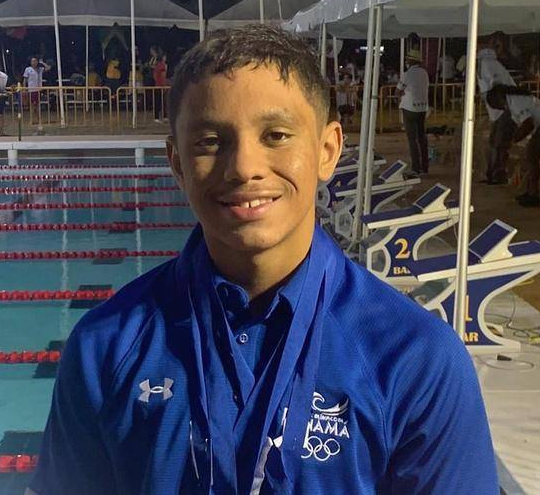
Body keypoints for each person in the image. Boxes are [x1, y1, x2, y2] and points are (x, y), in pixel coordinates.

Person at [27, 25, 498, 495]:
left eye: (276, 135)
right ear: (176, 162)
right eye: (210, 141)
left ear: (327, 150)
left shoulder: (414, 358)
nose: (244, 168)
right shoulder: (106, 346)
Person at [487, 84, 540, 207]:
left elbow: (528, 124)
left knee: (531, 156)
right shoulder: (514, 101)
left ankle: (533, 195)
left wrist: (514, 140)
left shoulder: (515, 101)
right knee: (531, 157)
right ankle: (531, 191)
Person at [477, 44, 516, 185]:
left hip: (505, 109)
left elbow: (497, 84)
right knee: (494, 142)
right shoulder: (487, 64)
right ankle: (492, 174)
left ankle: (498, 175)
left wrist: (501, 105)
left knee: (499, 144)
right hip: (501, 110)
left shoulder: (488, 64)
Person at [397, 48, 430, 176]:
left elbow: (398, 91)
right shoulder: (424, 73)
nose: (406, 61)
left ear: (411, 61)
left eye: (407, 59)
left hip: (409, 108)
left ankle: (416, 168)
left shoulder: (407, 74)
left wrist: (402, 93)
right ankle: (425, 167)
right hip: (422, 108)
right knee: (422, 138)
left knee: (412, 139)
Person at [23, 56, 51, 134]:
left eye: (35, 61)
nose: (34, 62)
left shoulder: (40, 69)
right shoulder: (28, 69)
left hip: (38, 89)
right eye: (33, 61)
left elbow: (48, 68)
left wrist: (42, 63)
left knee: (37, 105)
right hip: (31, 89)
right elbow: (25, 80)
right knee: (32, 105)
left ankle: (39, 120)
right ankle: (31, 119)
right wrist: (24, 89)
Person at [153, 50, 168, 122]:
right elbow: (163, 76)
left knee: (158, 101)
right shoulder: (163, 65)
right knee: (163, 101)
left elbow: (155, 76)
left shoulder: (157, 65)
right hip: (161, 86)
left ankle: (157, 117)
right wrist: (164, 85)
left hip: (157, 85)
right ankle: (164, 116)